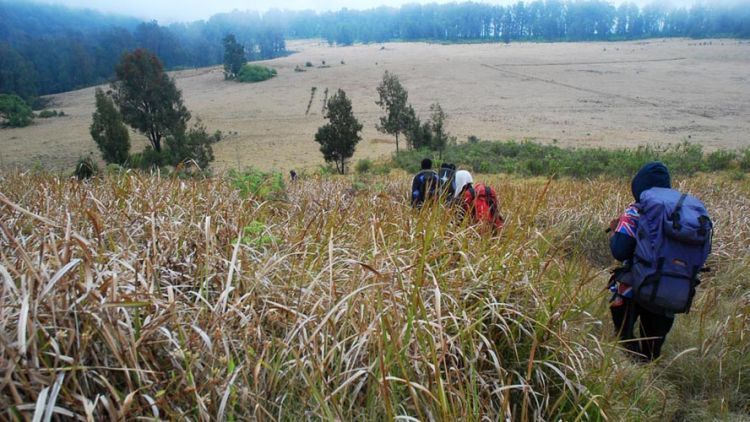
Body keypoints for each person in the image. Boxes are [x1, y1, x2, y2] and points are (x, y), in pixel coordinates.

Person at [608, 161, 712, 361]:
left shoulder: (636, 210)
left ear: (638, 185)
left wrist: (615, 233)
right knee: (652, 347)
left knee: (625, 337)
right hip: (674, 289)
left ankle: (628, 360)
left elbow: (620, 251)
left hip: (637, 285)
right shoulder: (686, 212)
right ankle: (648, 363)